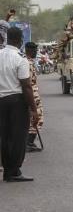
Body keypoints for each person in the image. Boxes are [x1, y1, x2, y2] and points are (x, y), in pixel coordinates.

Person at [0, 27, 37, 182]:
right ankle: (13, 171)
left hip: (1, 101)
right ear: (20, 39)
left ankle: (7, 169)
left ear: (7, 38)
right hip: (16, 102)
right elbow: (26, 86)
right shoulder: (20, 58)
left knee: (4, 137)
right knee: (18, 138)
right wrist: (34, 109)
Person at [23, 42, 43, 153]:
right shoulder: (27, 63)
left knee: (36, 119)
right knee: (36, 118)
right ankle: (28, 143)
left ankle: (30, 142)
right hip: (31, 95)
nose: (36, 52)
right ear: (29, 51)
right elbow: (27, 84)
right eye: (34, 50)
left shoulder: (29, 62)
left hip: (33, 94)